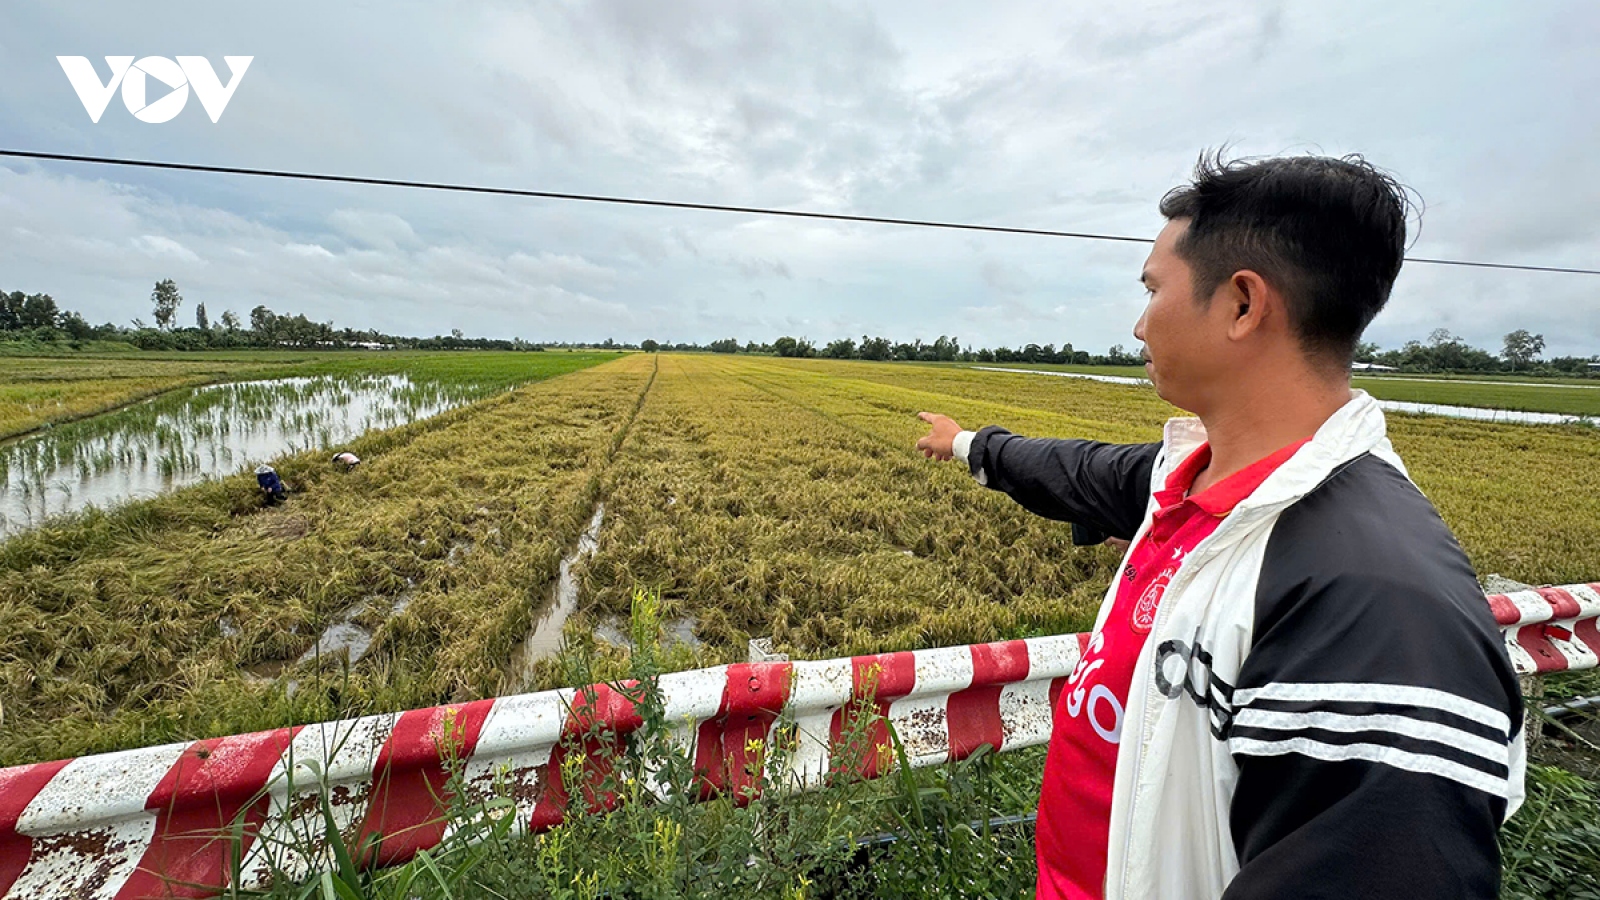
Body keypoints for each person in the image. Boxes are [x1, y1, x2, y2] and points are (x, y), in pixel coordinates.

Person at [916, 153, 1524, 900]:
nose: (1140, 325)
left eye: (1152, 290)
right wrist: (967, 445)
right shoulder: (1193, 486)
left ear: (1242, 304)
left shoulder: (1377, 604)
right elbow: (1075, 470)